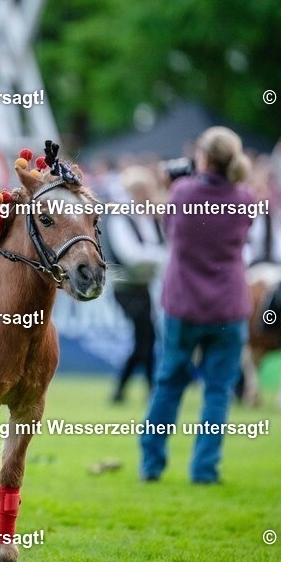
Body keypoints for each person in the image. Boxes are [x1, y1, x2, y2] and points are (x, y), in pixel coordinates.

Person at [140, 127, 254, 484]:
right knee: (218, 391)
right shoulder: (245, 199)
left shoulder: (183, 192)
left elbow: (169, 229)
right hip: (228, 307)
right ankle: (205, 469)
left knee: (168, 385)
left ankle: (151, 466)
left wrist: (167, 185)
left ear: (203, 157)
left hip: (183, 304)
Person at [104, 166, 167, 403]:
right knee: (146, 336)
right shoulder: (121, 216)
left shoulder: (149, 218)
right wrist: (161, 257)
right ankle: (150, 389)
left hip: (143, 285)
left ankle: (121, 391)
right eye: (148, 190)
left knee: (145, 337)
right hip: (126, 287)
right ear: (138, 191)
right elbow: (130, 255)